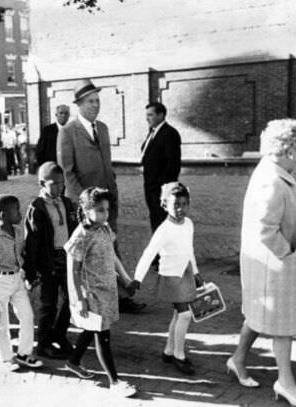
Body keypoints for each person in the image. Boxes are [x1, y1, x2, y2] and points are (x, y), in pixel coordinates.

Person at [228, 119, 296, 407]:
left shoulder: (272, 171)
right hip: (275, 266)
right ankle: (285, 383)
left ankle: (237, 360)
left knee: (259, 315)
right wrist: (288, 255)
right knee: (283, 326)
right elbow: (265, 229)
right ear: (289, 149)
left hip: (271, 265)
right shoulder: (272, 179)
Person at [57, 78, 145, 314]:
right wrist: (83, 205)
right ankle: (87, 298)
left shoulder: (103, 128)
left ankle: (121, 296)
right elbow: (68, 172)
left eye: (97, 100)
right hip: (87, 207)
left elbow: (107, 164)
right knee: (90, 253)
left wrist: (112, 189)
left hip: (108, 202)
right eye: (90, 101)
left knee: (112, 246)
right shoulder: (68, 132)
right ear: (79, 105)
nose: (96, 105)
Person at [64, 187, 137, 398]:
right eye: (99, 209)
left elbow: (113, 256)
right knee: (103, 334)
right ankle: (114, 381)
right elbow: (73, 270)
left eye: (107, 209)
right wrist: (79, 299)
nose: (105, 214)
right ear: (86, 210)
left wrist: (126, 279)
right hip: (91, 293)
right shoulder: (81, 236)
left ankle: (73, 361)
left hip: (108, 289)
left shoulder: (104, 229)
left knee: (94, 328)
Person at [133, 182, 204, 375]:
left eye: (184, 204)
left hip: (186, 272)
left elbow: (190, 251)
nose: (180, 209)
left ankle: (169, 350)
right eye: (176, 205)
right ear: (165, 205)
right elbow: (149, 253)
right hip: (171, 275)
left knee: (178, 314)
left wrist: (196, 272)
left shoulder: (189, 224)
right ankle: (179, 356)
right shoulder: (164, 229)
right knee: (185, 315)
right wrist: (137, 278)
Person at [0, 195, 43, 372]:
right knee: (2, 323)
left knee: (27, 316)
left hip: (17, 278)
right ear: (2, 215)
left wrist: (29, 274)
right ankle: (6, 357)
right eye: (16, 210)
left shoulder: (18, 232)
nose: (20, 213)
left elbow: (22, 254)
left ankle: (24, 353)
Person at [24, 162, 77, 359]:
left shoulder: (66, 203)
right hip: (48, 260)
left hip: (67, 257)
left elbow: (74, 228)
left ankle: (59, 334)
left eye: (62, 183)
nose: (59, 187)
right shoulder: (36, 208)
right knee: (49, 303)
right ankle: (44, 342)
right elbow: (31, 242)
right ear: (42, 183)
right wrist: (31, 271)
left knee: (71, 299)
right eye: (54, 184)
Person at [141, 102, 182, 231]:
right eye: (146, 115)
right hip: (150, 186)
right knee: (155, 219)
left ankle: (164, 250)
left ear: (161, 115)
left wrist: (164, 189)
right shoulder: (153, 132)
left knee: (163, 221)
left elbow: (173, 164)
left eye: (150, 115)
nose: (147, 118)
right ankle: (158, 249)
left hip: (161, 189)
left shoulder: (170, 133)